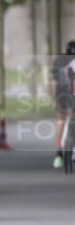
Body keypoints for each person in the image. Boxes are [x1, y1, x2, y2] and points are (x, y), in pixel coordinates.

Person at [51, 40, 75, 168]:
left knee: (60, 121)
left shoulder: (59, 60)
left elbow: (55, 81)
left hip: (61, 93)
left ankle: (58, 152)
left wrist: (54, 98)